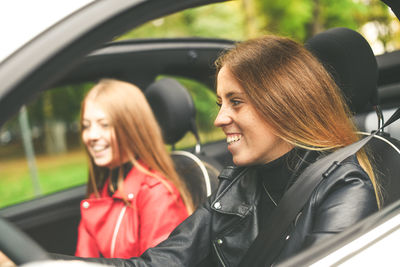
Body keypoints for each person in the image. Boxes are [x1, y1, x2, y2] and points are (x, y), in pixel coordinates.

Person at [55, 35, 379, 266]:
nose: (220, 118)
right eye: (220, 103)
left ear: (283, 105)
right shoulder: (237, 183)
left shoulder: (345, 191)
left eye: (235, 102)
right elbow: (157, 263)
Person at [76, 79, 193, 258]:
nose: (91, 136)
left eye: (104, 125)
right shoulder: (101, 191)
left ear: (131, 128)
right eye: (86, 126)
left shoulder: (157, 193)